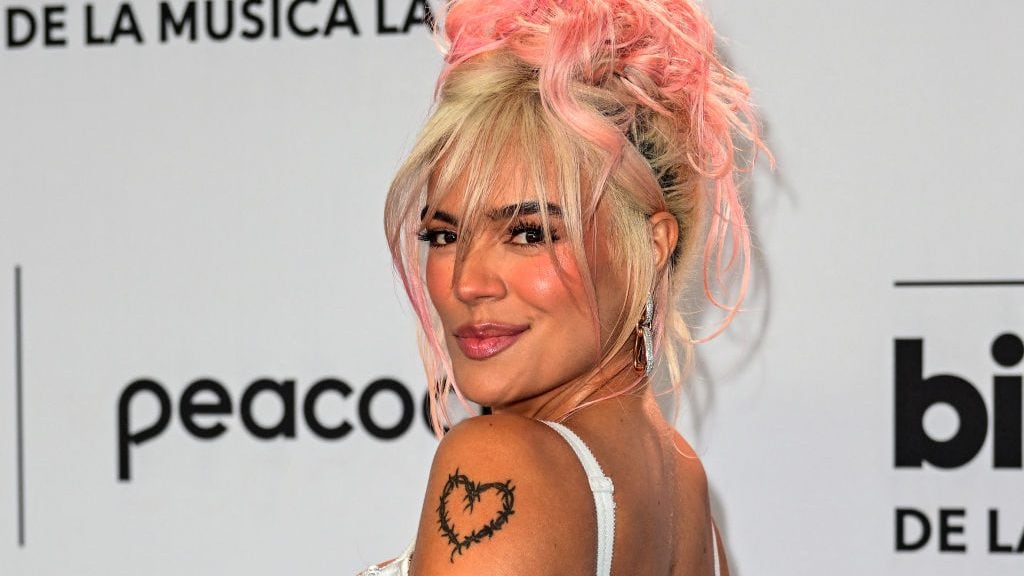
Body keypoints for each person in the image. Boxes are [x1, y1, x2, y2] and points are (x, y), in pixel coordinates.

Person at [361, 0, 766, 574]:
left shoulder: (499, 460)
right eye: (444, 235)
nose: (468, 282)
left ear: (651, 245)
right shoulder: (683, 482)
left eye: (529, 233)